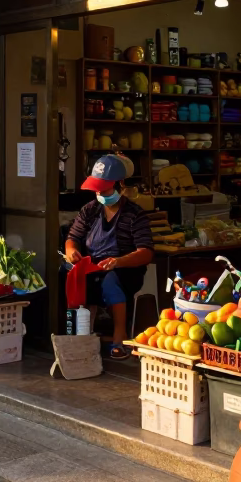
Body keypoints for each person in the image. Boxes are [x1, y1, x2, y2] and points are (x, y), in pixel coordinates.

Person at [65, 154, 154, 359]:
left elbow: (146, 252)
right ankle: (83, 336)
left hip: (127, 270)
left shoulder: (135, 214)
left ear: (119, 184)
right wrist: (71, 251)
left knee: (111, 282)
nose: (98, 191)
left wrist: (118, 262)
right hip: (94, 265)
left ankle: (119, 336)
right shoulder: (90, 210)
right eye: (96, 187)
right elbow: (73, 237)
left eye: (103, 187)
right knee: (76, 278)